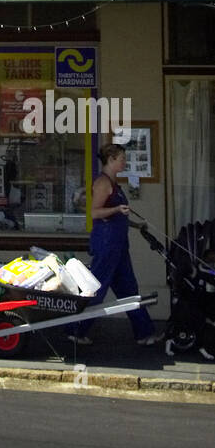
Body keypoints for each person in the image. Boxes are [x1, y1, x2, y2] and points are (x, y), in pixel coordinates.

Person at [67, 143, 162, 347]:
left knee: (128, 288)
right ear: (110, 160)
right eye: (121, 159)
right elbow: (95, 213)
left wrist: (136, 224)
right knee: (97, 288)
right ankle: (75, 329)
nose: (124, 162)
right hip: (107, 243)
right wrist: (118, 208)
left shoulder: (115, 183)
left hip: (118, 244)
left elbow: (117, 215)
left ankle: (144, 333)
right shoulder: (103, 183)